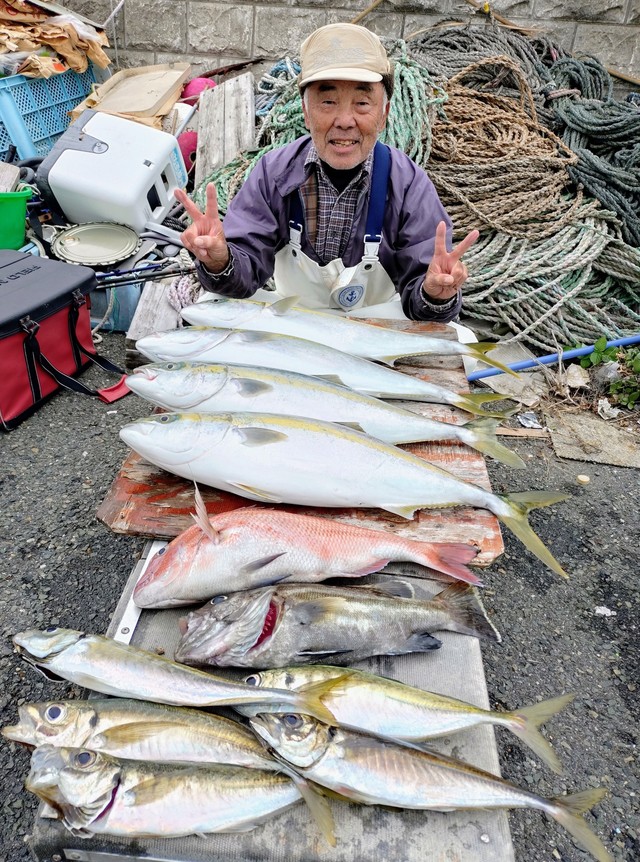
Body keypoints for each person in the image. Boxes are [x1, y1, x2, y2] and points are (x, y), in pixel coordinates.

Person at [175, 22, 478, 321]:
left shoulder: (409, 185)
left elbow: (421, 295)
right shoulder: (274, 173)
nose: (345, 120)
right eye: (328, 102)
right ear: (306, 112)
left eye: (362, 103)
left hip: (374, 331)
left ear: (383, 115)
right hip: (295, 324)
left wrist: (435, 294)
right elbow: (244, 272)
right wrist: (219, 261)